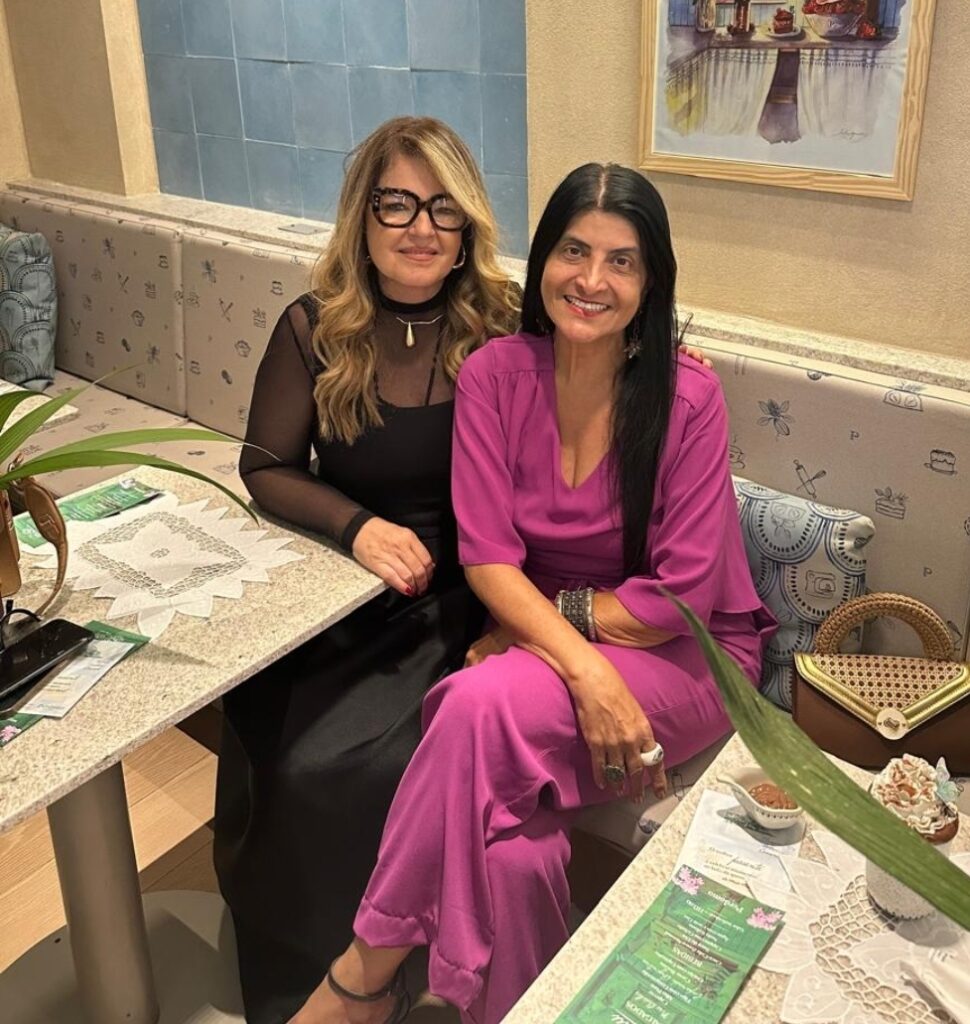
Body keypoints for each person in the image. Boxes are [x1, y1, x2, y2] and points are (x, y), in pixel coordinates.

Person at [288, 163, 776, 1024]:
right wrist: (581, 669)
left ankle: (361, 978)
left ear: (651, 282)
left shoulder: (688, 397)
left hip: (690, 659)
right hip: (557, 658)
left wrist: (541, 640)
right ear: (543, 259)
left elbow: (677, 600)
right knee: (512, 850)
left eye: (622, 262)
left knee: (473, 706)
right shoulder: (493, 377)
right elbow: (488, 561)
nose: (592, 280)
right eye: (574, 251)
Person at [212, 116, 519, 1024]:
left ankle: (366, 977)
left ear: (466, 225)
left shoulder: (505, 325)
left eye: (443, 208)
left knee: (340, 765)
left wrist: (668, 358)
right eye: (397, 204)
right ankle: (291, 965)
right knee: (263, 723)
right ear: (363, 214)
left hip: (466, 592)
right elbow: (264, 464)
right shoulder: (316, 327)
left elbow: (609, 355)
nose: (421, 228)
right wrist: (357, 528)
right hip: (347, 588)